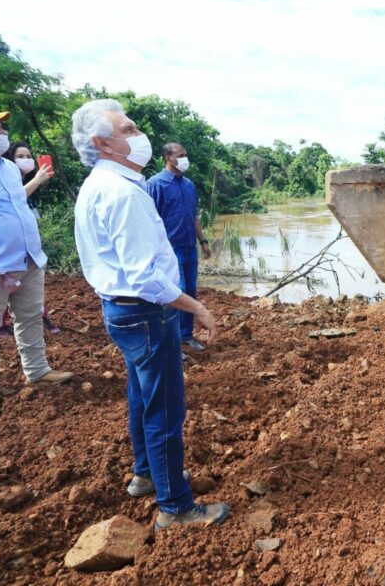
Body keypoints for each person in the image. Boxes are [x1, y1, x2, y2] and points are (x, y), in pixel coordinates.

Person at [71, 99, 228, 529]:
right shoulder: (124, 194)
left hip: (123, 312)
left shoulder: (101, 184)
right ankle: (175, 507)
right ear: (102, 143)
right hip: (146, 313)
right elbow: (144, 277)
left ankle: (146, 474)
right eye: (128, 129)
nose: (139, 135)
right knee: (165, 410)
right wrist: (196, 306)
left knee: (143, 396)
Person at [0, 100, 74, 417]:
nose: (2, 131)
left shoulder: (7, 168)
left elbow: (16, 205)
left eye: (2, 126)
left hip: (27, 258)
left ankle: (37, 369)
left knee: (30, 316)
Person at [144, 143, 212, 352]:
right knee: (173, 294)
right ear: (168, 158)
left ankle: (186, 336)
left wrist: (203, 241)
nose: (185, 159)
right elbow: (149, 220)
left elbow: (193, 216)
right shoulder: (155, 184)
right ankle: (171, 343)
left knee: (189, 291)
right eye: (181, 155)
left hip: (189, 247)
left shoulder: (188, 185)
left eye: (185, 155)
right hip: (168, 250)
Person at [0, 141, 61, 337]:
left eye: (28, 156)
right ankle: (0, 323)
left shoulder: (28, 182)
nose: (26, 160)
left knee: (28, 288)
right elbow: (13, 200)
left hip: (29, 248)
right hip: (8, 247)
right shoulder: (5, 180)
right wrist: (36, 181)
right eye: (20, 156)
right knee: (6, 287)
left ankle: (40, 316)